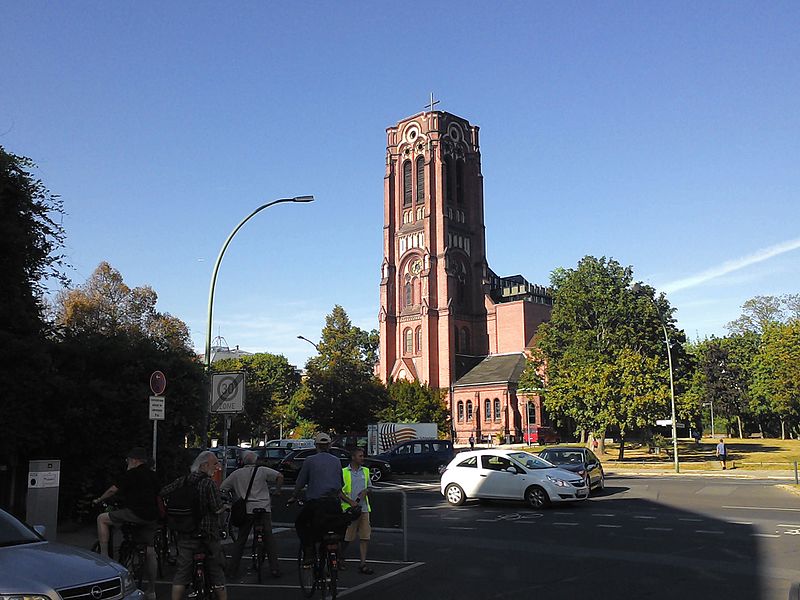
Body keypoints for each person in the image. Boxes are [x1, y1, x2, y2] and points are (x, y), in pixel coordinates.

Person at [93, 447, 159, 600]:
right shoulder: (153, 475)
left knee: (102, 519)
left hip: (134, 513)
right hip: (151, 517)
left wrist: (99, 499)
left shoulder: (131, 474)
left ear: (134, 460)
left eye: (128, 460)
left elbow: (112, 490)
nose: (127, 463)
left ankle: (104, 555)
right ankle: (152, 590)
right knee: (150, 551)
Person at [160, 451, 227, 600]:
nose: (217, 466)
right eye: (215, 463)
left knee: (182, 572)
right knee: (216, 570)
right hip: (208, 534)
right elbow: (216, 508)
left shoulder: (183, 481)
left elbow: (163, 492)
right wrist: (225, 508)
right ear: (204, 465)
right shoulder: (209, 483)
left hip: (185, 532)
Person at [220, 450, 284, 579]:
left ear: (243, 461)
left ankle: (232, 570)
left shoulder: (236, 474)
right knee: (269, 538)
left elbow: (222, 488)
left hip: (247, 510)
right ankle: (275, 568)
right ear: (255, 460)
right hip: (263, 507)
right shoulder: (262, 471)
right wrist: (277, 490)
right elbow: (280, 476)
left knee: (241, 540)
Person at [289, 432, 350, 564]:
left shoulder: (310, 460)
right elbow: (340, 483)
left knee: (301, 524)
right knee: (333, 527)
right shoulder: (336, 461)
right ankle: (334, 556)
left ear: (316, 445)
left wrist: (294, 495)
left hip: (315, 503)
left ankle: (309, 551)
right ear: (329, 446)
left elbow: (301, 481)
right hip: (333, 503)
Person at [340, 448, 374, 575]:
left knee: (365, 537)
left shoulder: (365, 471)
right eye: (360, 456)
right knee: (347, 537)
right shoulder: (344, 472)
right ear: (353, 457)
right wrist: (349, 501)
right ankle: (340, 558)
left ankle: (363, 563)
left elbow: (370, 487)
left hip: (363, 509)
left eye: (363, 456)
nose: (362, 458)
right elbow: (339, 491)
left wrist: (367, 491)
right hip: (349, 510)